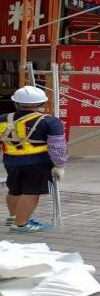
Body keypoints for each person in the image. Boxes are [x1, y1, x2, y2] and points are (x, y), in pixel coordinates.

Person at [0, 86, 68, 233]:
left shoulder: (2, 119)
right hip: (37, 163)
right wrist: (59, 165)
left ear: (16, 103)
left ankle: (14, 218)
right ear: (42, 103)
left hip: (10, 161)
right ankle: (21, 224)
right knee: (31, 193)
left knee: (14, 190)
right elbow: (57, 146)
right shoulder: (49, 121)